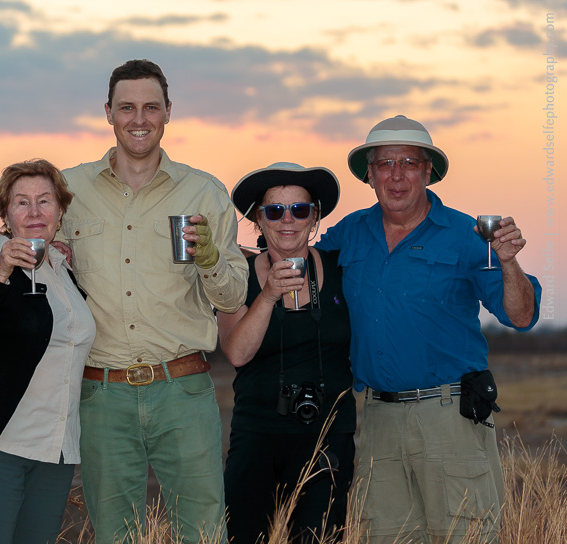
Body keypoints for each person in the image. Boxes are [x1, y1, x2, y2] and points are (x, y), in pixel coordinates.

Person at [316, 114, 542, 544]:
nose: (396, 175)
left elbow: (520, 315)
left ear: (428, 173)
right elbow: (299, 268)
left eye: (409, 163)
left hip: (450, 420)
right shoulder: (350, 233)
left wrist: (509, 262)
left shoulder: (466, 234)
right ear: (369, 174)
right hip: (378, 421)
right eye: (385, 164)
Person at [60, 59, 248, 543]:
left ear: (168, 112)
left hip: (182, 390)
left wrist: (209, 259)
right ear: (107, 112)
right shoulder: (68, 190)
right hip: (101, 394)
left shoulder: (203, 191)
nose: (138, 119)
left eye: (150, 107)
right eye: (126, 107)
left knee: (203, 532)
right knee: (113, 534)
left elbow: (232, 295)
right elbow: (24, 251)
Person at [0, 159, 96, 544]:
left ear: (60, 210)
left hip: (55, 450)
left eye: (45, 201)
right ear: (5, 214)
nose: (35, 211)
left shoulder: (65, 271)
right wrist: (1, 274)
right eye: (22, 202)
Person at [218, 163, 355, 544]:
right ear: (258, 220)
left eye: (300, 209)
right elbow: (237, 353)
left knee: (319, 537)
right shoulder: (238, 275)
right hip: (258, 431)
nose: (287, 220)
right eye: (274, 211)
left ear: (314, 217)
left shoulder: (342, 268)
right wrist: (268, 295)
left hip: (328, 433)